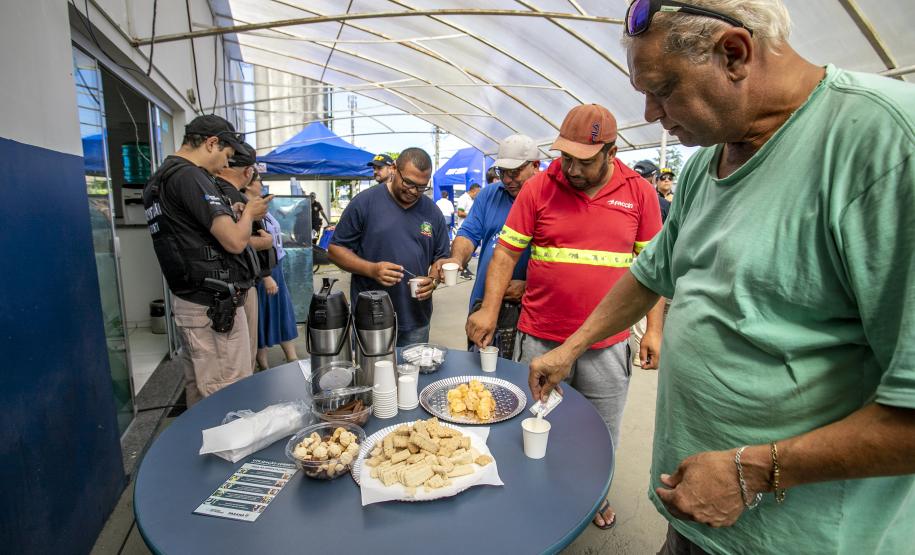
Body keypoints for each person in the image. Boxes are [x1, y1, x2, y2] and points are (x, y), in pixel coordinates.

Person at [530, 1, 915, 552]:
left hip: (797, 536)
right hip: (694, 508)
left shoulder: (885, 144)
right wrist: (574, 346)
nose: (651, 112)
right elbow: (650, 273)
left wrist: (752, 471)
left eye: (663, 89)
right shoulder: (706, 166)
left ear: (734, 54)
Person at [467, 104, 666, 530]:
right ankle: (532, 494)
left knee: (601, 430)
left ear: (610, 152)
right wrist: (487, 307)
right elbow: (506, 252)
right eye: (565, 156)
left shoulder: (639, 193)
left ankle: (594, 496)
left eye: (583, 159)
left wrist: (654, 330)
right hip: (541, 337)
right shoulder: (540, 186)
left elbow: (653, 272)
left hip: (607, 345)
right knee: (534, 421)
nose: (571, 168)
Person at [142, 115, 270, 405]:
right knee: (228, 397)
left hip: (192, 300)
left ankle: (198, 450)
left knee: (201, 388)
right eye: (226, 155)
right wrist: (249, 213)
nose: (226, 165)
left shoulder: (159, 179)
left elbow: (190, 232)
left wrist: (232, 212)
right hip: (213, 307)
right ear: (211, 143)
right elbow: (235, 242)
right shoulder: (189, 176)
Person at [433, 134, 541, 356]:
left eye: (515, 172)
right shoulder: (490, 194)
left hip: (529, 314)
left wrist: (531, 286)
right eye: (503, 173)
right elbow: (468, 233)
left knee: (520, 380)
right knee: (479, 379)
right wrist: (456, 259)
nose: (508, 180)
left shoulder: (549, 198)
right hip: (484, 306)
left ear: (536, 165)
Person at [329, 148, 450, 346]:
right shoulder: (365, 203)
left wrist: (434, 280)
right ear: (394, 169)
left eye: (421, 187)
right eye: (408, 182)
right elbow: (335, 251)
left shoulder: (432, 212)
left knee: (413, 376)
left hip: (416, 320)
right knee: (369, 375)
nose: (413, 191)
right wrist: (371, 269)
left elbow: (442, 258)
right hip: (371, 319)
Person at [215, 143, 275, 373]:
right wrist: (265, 242)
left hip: (238, 284)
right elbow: (232, 240)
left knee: (240, 356)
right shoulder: (228, 195)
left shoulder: (218, 192)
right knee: (241, 359)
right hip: (236, 286)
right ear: (248, 172)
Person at [246, 175, 299, 368]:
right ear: (249, 183)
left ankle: (292, 358)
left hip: (275, 266)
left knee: (282, 311)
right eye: (258, 180)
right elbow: (253, 245)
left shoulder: (261, 207)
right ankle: (263, 365)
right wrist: (266, 275)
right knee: (262, 315)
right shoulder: (246, 209)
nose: (261, 183)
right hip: (263, 272)